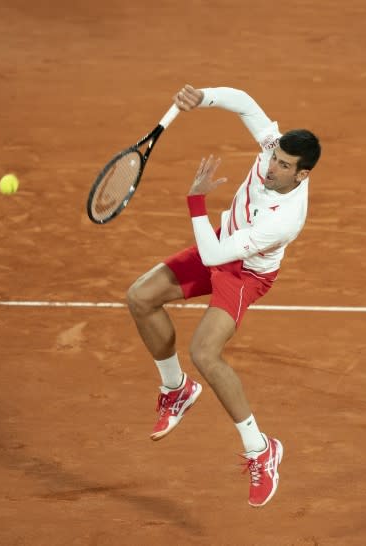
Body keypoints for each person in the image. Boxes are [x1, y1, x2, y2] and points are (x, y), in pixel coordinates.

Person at [126, 84, 321, 507]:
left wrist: (196, 201)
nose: (271, 166)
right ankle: (175, 389)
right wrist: (204, 97)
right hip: (224, 240)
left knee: (206, 353)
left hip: (244, 272)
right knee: (140, 297)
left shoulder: (285, 219)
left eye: (284, 165)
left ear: (301, 175)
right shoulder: (273, 147)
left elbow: (216, 256)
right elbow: (247, 103)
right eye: (273, 156)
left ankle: (260, 449)